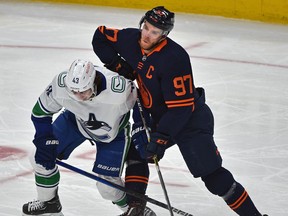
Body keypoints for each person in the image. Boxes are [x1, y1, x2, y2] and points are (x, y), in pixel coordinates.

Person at [92, 6, 268, 216]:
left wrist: (160, 138)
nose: (147, 35)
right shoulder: (131, 38)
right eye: (146, 27)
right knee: (137, 155)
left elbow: (182, 108)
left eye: (154, 32)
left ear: (164, 35)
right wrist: (118, 65)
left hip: (189, 121)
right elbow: (100, 36)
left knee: (213, 177)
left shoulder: (174, 59)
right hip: (154, 115)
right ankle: (136, 209)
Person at [22, 59, 157, 216]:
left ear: (94, 82)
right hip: (75, 122)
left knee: (107, 188)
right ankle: (49, 204)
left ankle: (132, 210)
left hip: (113, 134)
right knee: (38, 157)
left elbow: (142, 104)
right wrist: (44, 139)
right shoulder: (61, 84)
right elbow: (40, 113)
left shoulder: (119, 90)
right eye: (74, 91)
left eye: (83, 91)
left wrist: (143, 127)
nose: (78, 96)